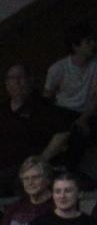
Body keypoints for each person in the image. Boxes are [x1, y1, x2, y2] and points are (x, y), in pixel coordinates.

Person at [0, 64, 69, 198]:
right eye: (12, 78)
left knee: (24, 179)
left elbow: (62, 134)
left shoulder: (43, 107)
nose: (17, 82)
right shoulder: (2, 111)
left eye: (20, 77)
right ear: (7, 84)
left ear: (30, 80)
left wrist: (41, 160)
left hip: (25, 168)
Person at [40, 23, 96, 166]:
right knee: (63, 129)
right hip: (62, 111)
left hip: (87, 112)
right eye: (88, 42)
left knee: (79, 132)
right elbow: (47, 97)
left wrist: (83, 119)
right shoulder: (58, 68)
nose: (93, 45)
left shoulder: (95, 66)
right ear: (76, 45)